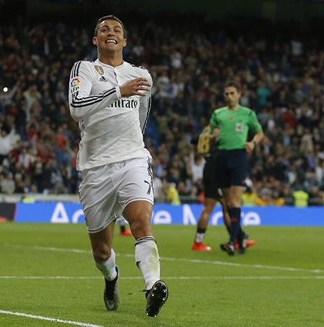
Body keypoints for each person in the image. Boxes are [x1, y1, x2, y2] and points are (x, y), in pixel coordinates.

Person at [68, 15, 168, 317]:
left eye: (117, 30)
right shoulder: (84, 69)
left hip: (132, 158)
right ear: (95, 40)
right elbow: (76, 109)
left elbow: (141, 118)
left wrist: (134, 146)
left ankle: (153, 286)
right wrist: (117, 92)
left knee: (141, 223)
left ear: (124, 41)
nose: (110, 33)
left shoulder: (141, 75)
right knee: (101, 252)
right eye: (104, 30)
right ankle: (111, 277)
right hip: (95, 167)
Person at [209, 81, 264, 255]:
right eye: (226, 94)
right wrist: (212, 135)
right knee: (227, 202)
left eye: (232, 93)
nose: (228, 97)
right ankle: (241, 236)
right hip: (221, 156)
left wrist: (253, 143)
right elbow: (210, 135)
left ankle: (232, 242)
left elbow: (259, 132)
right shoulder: (218, 114)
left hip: (239, 156)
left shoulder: (247, 114)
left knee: (234, 201)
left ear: (239, 94)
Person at [191, 127, 255, 251]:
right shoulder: (220, 131)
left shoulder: (206, 130)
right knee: (227, 207)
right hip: (217, 169)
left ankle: (198, 242)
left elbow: (194, 140)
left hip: (208, 168)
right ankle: (236, 239)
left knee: (210, 207)